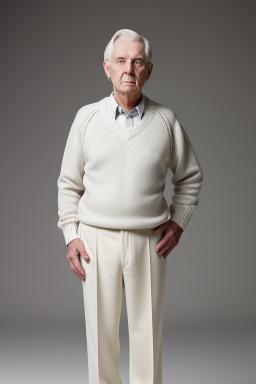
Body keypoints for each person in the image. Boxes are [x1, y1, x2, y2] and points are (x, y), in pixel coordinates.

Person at [57, 28, 203, 384]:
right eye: (121, 61)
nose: (128, 69)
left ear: (149, 70)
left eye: (137, 62)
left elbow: (190, 177)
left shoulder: (166, 121)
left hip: (148, 241)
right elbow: (68, 183)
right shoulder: (86, 119)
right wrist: (70, 235)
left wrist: (178, 222)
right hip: (95, 241)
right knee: (100, 337)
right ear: (106, 68)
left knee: (146, 336)